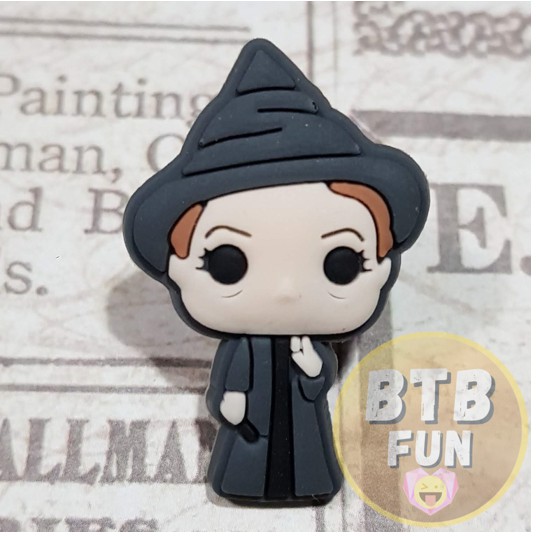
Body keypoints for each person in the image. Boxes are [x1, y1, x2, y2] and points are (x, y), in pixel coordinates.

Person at [123, 39, 429, 504]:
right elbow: (224, 386)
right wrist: (228, 404)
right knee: (249, 460)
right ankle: (245, 481)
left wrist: (312, 367)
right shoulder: (241, 346)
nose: (286, 292)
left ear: (380, 263)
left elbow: (319, 381)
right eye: (226, 264)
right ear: (178, 266)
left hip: (302, 425)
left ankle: (310, 482)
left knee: (308, 453)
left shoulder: (311, 345)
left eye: (341, 263)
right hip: (253, 426)